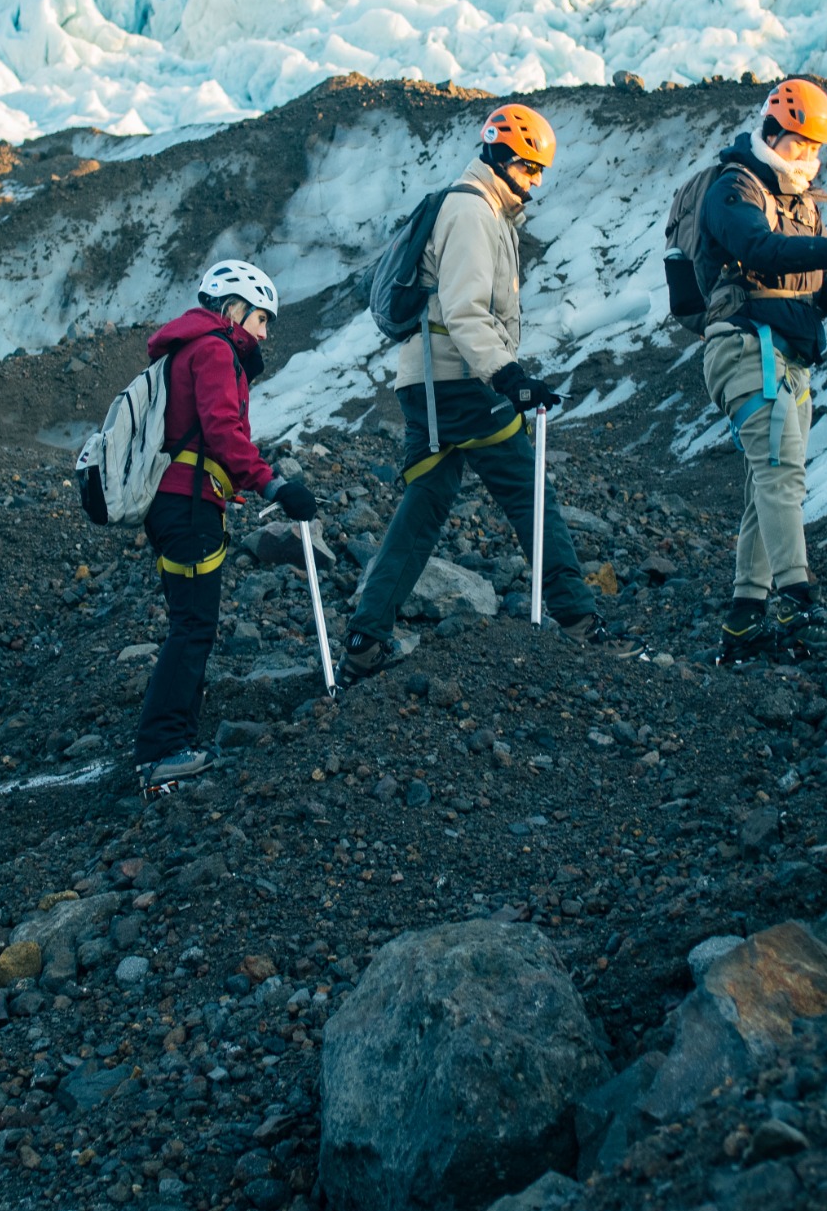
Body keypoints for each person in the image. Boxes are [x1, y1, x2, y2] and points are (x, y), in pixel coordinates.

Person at [344, 104, 598, 674]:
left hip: (428, 382)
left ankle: (365, 639)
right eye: (530, 168)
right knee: (529, 491)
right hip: (458, 383)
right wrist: (510, 379)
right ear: (503, 158)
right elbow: (464, 311)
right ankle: (579, 620)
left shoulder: (478, 209)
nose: (536, 183)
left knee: (425, 506)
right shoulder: (472, 212)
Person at [686, 78, 827, 663]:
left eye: (814, 147)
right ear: (772, 131)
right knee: (781, 475)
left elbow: (818, 281)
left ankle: (745, 617)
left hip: (788, 356)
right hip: (745, 345)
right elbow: (760, 251)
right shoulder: (736, 188)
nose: (809, 156)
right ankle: (800, 604)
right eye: (800, 143)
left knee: (770, 481)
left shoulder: (800, 202)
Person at [132, 260, 318, 791]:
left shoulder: (186, 348)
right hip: (189, 503)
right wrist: (272, 484)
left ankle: (176, 744)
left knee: (190, 624)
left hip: (174, 503)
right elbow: (222, 430)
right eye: (261, 319)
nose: (264, 333)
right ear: (233, 308)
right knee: (193, 627)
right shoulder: (214, 349)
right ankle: (160, 752)